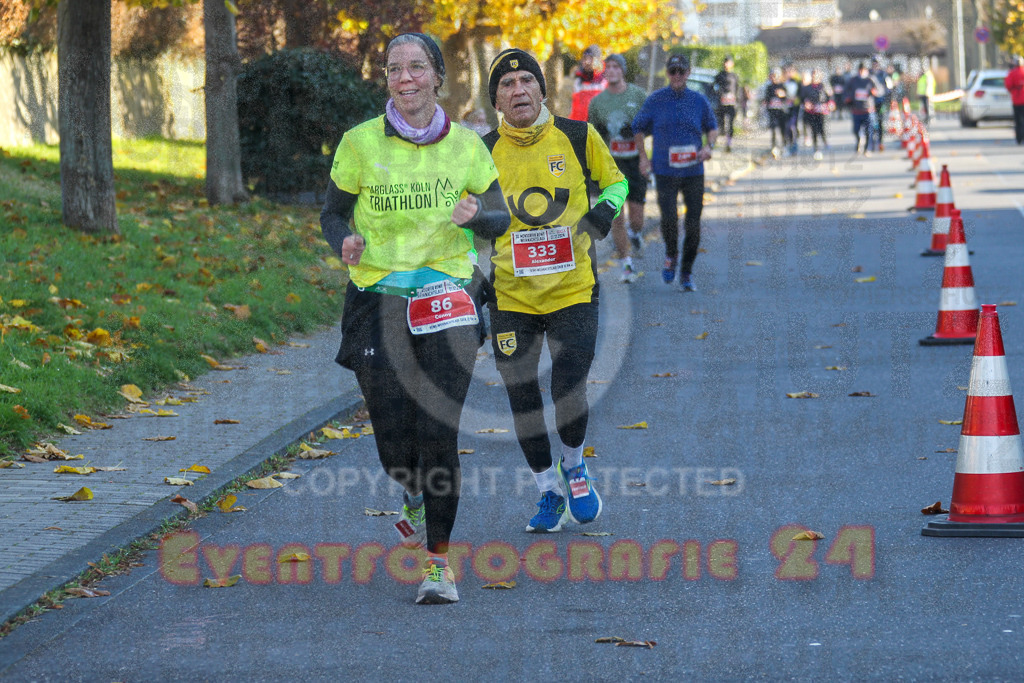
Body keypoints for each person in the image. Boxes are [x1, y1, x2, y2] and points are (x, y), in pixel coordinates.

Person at [320, 33, 510, 604]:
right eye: (393, 70)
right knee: (394, 437)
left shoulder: (469, 147)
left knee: (439, 429)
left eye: (415, 68)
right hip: (377, 297)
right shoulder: (359, 142)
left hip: (447, 294)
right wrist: (345, 241)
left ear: (437, 77)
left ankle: (437, 563)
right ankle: (409, 490)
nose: (404, 79)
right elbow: (331, 212)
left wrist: (481, 215)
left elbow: (499, 217)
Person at [483, 48, 626, 533]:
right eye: (506, 85)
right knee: (522, 397)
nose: (518, 89)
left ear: (543, 90)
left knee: (568, 388)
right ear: (496, 100)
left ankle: (574, 466)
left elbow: (617, 183)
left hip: (572, 288)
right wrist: (470, 276)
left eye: (526, 80)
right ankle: (548, 491)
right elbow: (464, 223)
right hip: (511, 297)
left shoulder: (578, 136)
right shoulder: (482, 152)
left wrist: (603, 211)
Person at [632, 52, 718, 292]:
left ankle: (687, 271)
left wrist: (709, 147)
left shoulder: (699, 100)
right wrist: (643, 158)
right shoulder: (656, 100)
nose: (677, 76)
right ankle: (671, 253)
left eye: (682, 71)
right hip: (665, 171)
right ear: (667, 74)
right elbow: (637, 127)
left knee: (693, 225)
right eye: (673, 72)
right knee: (669, 219)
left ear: (688, 73)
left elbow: (712, 128)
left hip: (693, 172)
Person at [587, 53, 648, 283]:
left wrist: (644, 157)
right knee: (616, 216)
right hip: (611, 166)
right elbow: (592, 135)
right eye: (608, 67)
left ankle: (636, 233)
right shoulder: (597, 102)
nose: (611, 70)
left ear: (622, 70)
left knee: (637, 219)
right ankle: (627, 264)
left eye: (615, 67)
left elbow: (647, 126)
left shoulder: (637, 95)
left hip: (634, 162)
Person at [846, 62, 881, 155]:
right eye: (860, 70)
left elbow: (880, 90)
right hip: (856, 109)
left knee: (869, 131)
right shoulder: (853, 80)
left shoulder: (871, 80)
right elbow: (846, 91)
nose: (862, 72)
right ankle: (859, 142)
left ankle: (867, 149)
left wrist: (875, 92)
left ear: (866, 71)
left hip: (868, 110)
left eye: (863, 70)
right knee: (855, 130)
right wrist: (848, 98)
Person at [800, 68, 834, 160]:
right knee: (814, 130)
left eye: (817, 75)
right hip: (812, 112)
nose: (815, 77)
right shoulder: (807, 88)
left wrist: (830, 104)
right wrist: (806, 103)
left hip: (822, 112)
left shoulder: (824, 86)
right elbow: (803, 99)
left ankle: (825, 140)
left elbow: (830, 98)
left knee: (822, 129)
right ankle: (816, 149)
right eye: (813, 75)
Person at [569, 45, 607, 121]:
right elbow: (574, 109)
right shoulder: (577, 81)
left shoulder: (606, 81)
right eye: (584, 58)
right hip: (581, 127)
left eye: (590, 58)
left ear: (598, 60)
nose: (587, 62)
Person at [713, 54, 741, 153]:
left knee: (730, 124)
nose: (726, 64)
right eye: (725, 62)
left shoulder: (734, 76)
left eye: (728, 62)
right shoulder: (719, 75)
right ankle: (720, 141)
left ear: (732, 64)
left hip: (732, 104)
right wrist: (720, 94)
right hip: (722, 103)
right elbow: (714, 87)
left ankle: (729, 143)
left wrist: (736, 99)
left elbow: (738, 89)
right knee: (722, 123)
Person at [763, 67, 791, 159]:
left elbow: (788, 98)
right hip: (772, 112)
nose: (773, 78)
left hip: (782, 112)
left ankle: (784, 147)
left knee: (783, 130)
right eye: (772, 76)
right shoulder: (769, 87)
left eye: (775, 76)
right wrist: (766, 103)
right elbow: (766, 100)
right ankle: (774, 148)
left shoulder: (783, 86)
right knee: (773, 130)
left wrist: (783, 95)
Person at [1005, 56, 1024, 145]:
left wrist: (1014, 91)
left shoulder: (1012, 73)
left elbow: (1008, 85)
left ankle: (1019, 138)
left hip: (1017, 100)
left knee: (1018, 120)